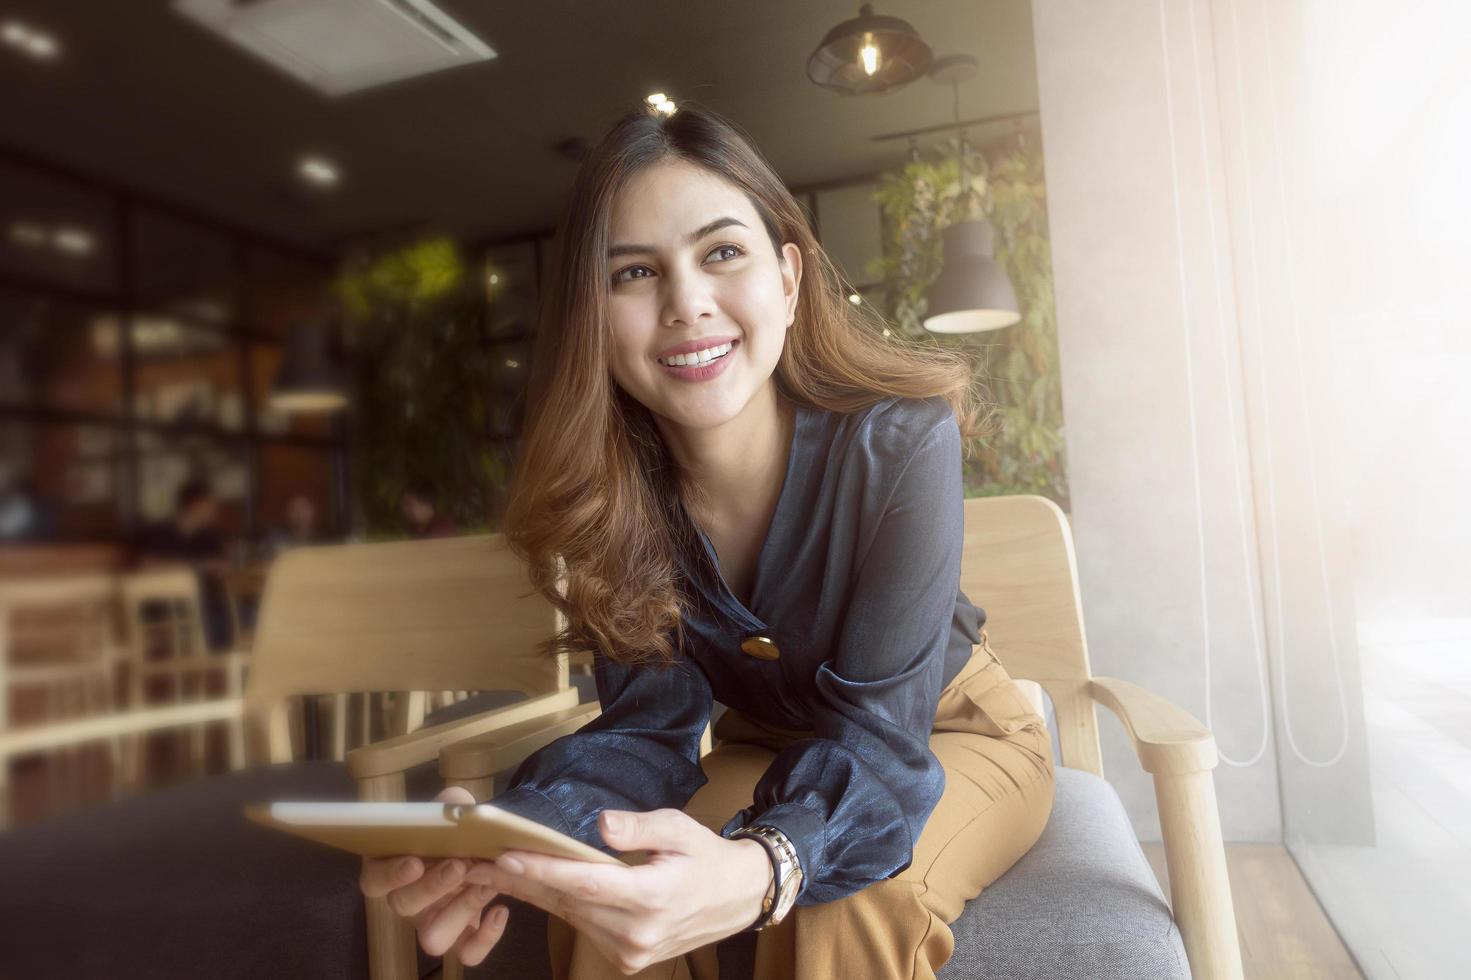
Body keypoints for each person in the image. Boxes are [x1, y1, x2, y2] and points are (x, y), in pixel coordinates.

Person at [360, 103, 1054, 979]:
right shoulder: (612, 500)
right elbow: (646, 731)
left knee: (847, 891)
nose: (687, 304)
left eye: (721, 252)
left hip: (943, 733)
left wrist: (770, 864)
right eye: (634, 273)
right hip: (762, 748)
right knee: (608, 870)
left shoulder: (901, 439)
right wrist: (519, 835)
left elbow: (882, 742)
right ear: (593, 317)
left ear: (789, 279)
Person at [136, 477, 234, 651]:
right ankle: (214, 663)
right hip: (166, 604)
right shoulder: (161, 532)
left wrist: (217, 568)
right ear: (196, 504)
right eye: (210, 505)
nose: (214, 510)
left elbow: (223, 568)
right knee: (212, 615)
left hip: (205, 602)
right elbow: (147, 568)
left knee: (244, 611)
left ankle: (224, 662)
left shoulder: (210, 536)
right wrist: (199, 567)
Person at [261, 491, 326, 558]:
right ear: (286, 513)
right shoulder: (274, 538)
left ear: (313, 512)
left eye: (304, 508)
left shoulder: (324, 539)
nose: (300, 514)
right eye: (294, 509)